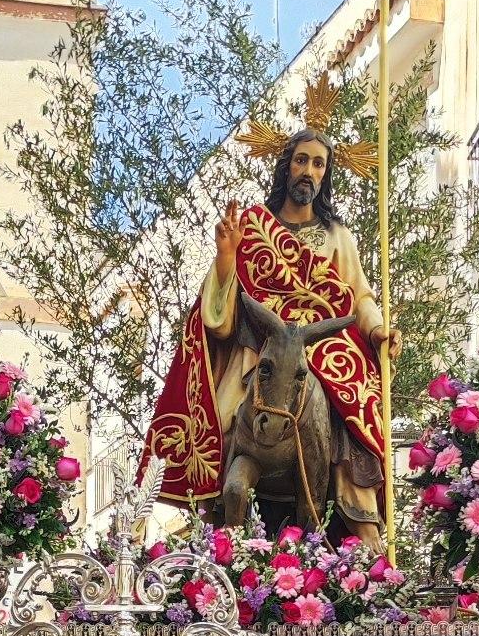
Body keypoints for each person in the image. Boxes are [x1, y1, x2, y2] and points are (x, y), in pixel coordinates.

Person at [143, 126, 396, 539]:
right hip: (259, 350)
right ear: (286, 166)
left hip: (323, 351)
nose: (309, 171)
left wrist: (379, 331)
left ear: (326, 174)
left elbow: (360, 297)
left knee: (352, 420)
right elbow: (220, 316)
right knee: (225, 419)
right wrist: (227, 255)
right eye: (301, 160)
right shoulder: (253, 228)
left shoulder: (337, 237)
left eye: (318, 164)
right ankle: (218, 526)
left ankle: (362, 523)